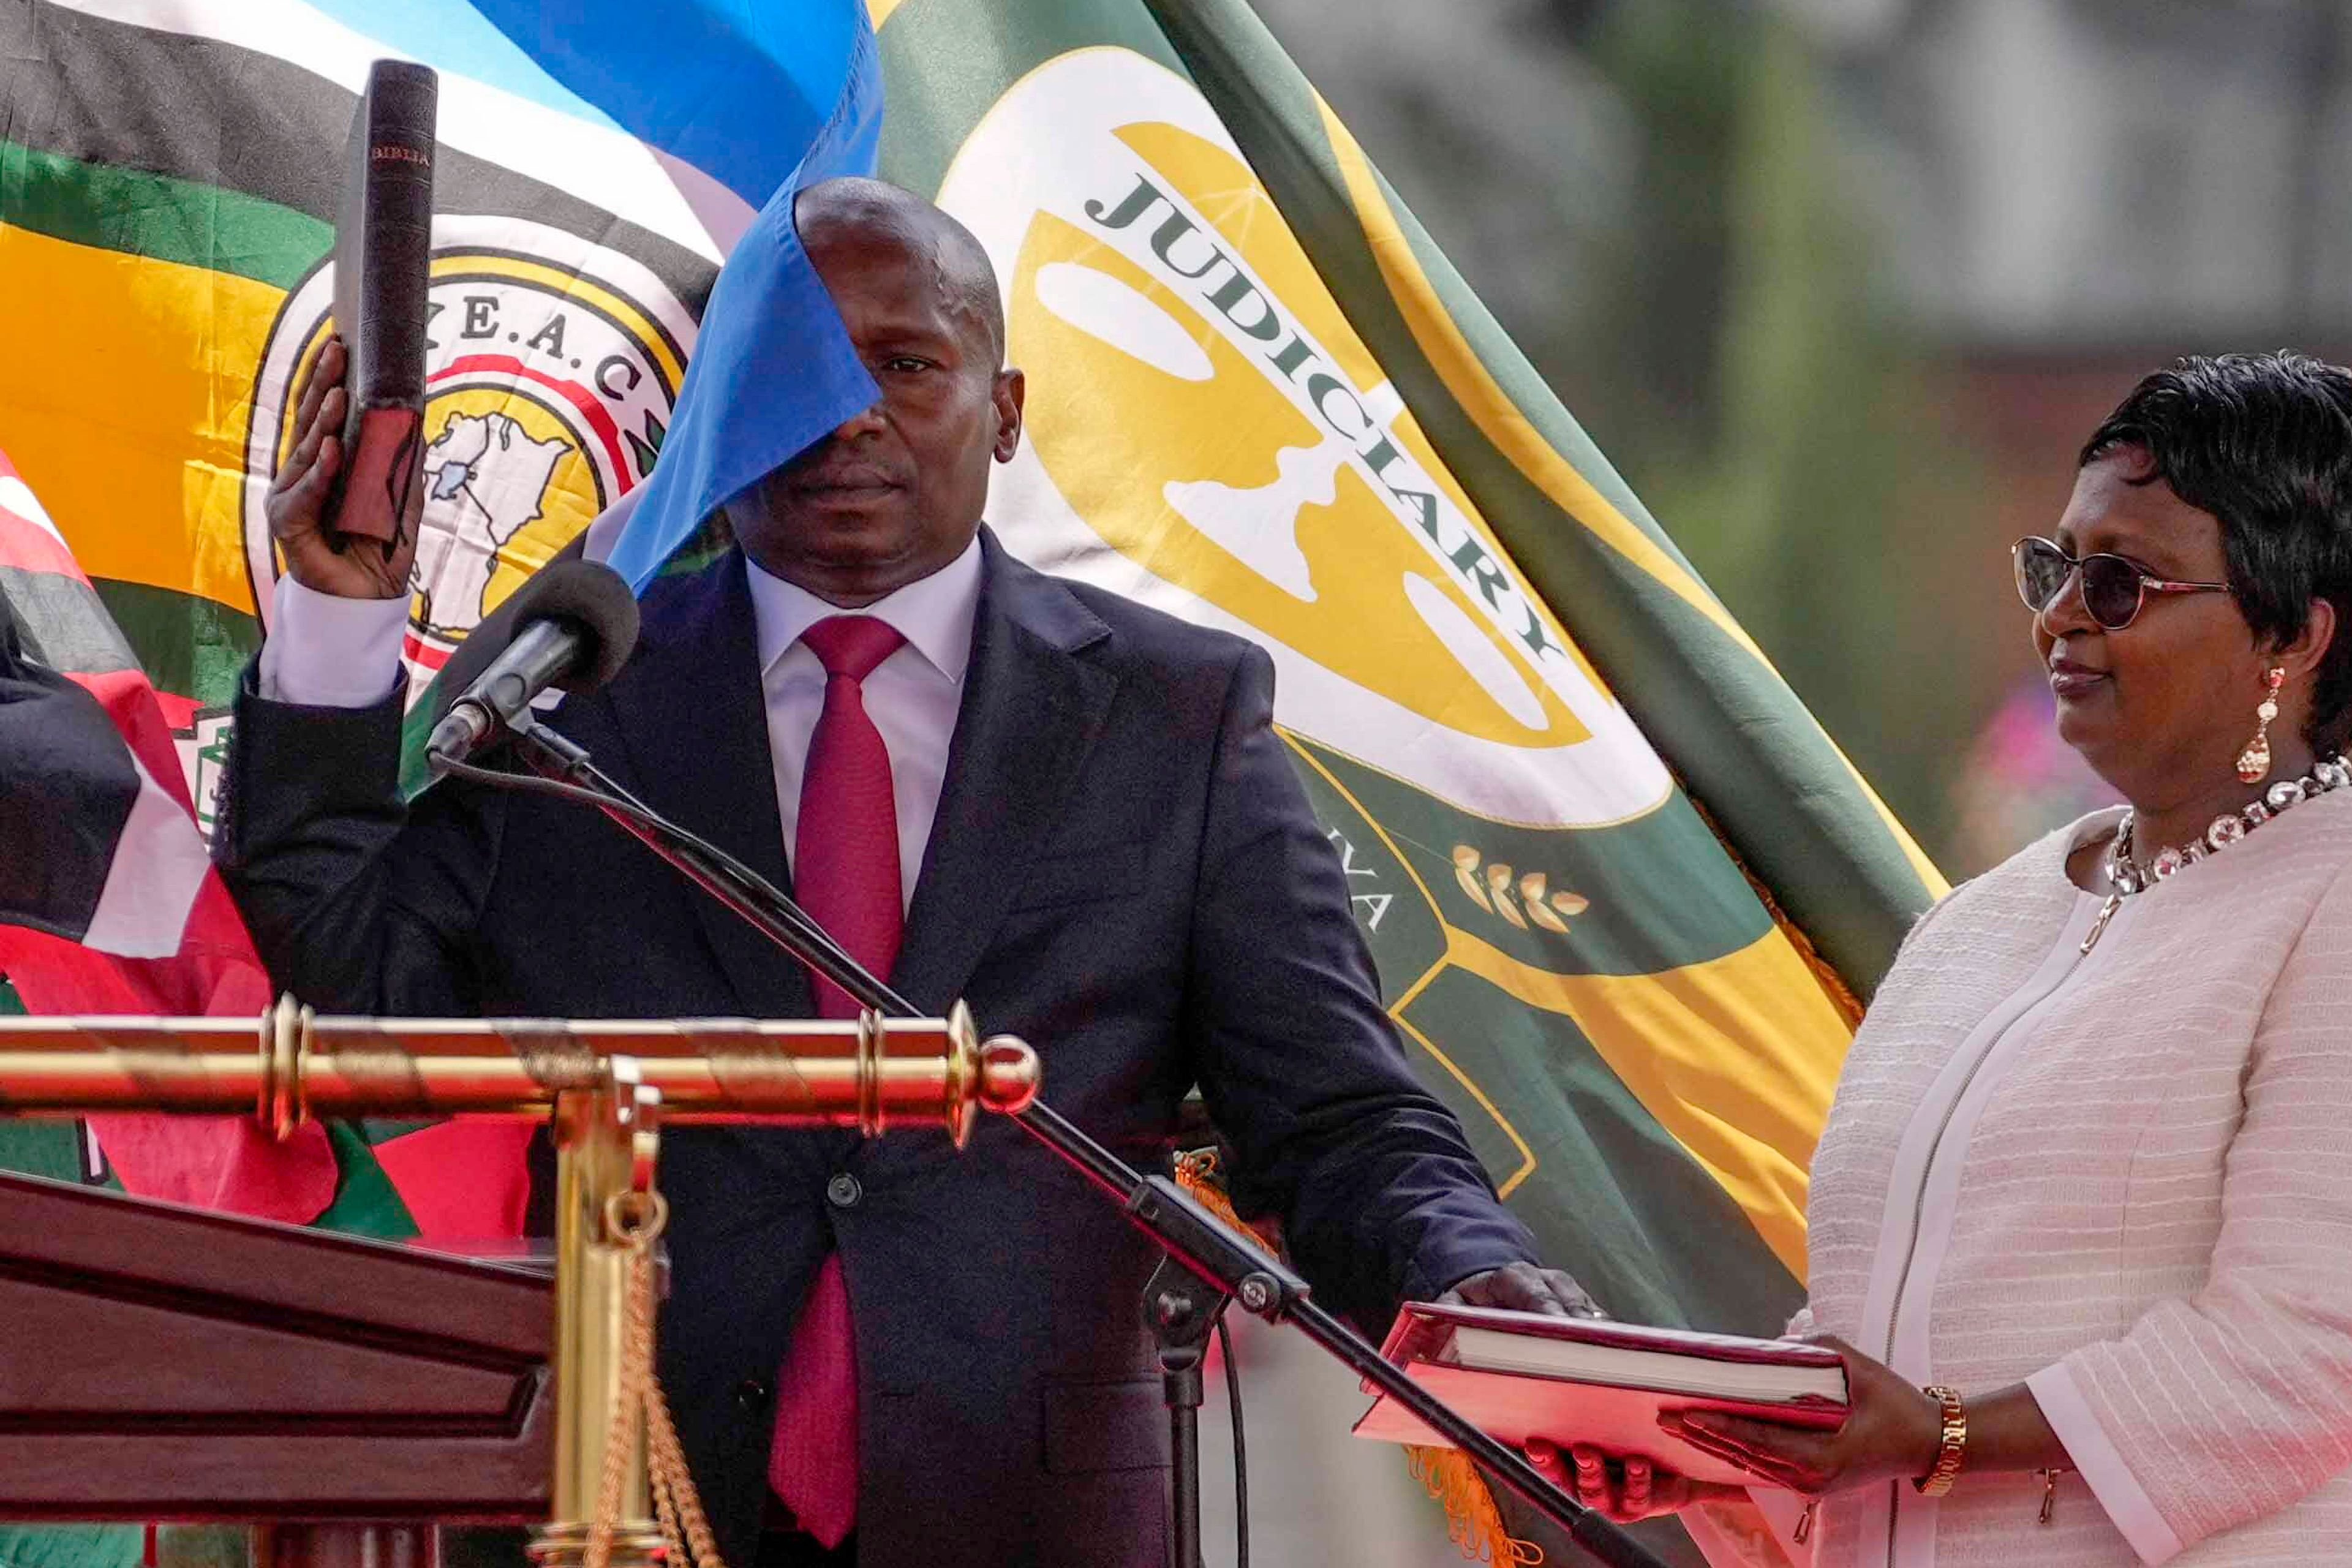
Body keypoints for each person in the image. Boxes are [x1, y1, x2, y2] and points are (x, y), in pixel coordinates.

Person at [215, 176, 1598, 1568]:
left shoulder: (1177, 719)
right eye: (792, 372)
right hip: (618, 1506)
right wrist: (341, 616)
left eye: (906, 362)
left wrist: (1470, 1272)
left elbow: (1338, 1113)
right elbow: (347, 981)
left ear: (1001, 410)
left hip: (1027, 1518)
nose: (848, 412)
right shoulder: (572, 693)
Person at [1544, 352, 2352, 1567]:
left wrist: (1942, 1432)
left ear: (2288, 635)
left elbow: (2304, 1352)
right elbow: (1887, 1336)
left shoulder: (2332, 890)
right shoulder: (1982, 920)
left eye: (2119, 582)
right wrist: (1714, 1451)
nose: (2059, 615)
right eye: (2054, 565)